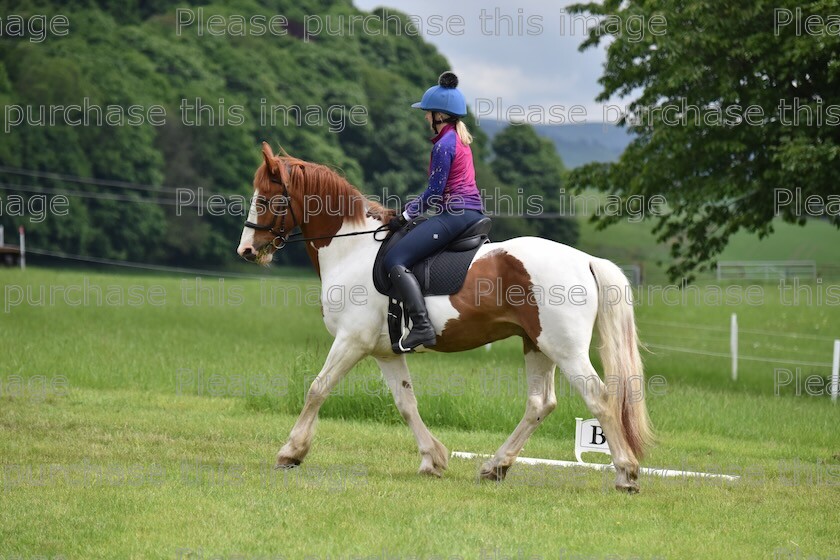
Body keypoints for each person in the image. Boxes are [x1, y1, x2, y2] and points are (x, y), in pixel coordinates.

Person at [385, 71, 486, 354]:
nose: (425, 117)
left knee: (395, 258)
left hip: (455, 214)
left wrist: (404, 216)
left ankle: (421, 325)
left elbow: (434, 193)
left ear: (439, 115)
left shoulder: (443, 146)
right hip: (469, 211)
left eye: (427, 113)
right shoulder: (459, 139)